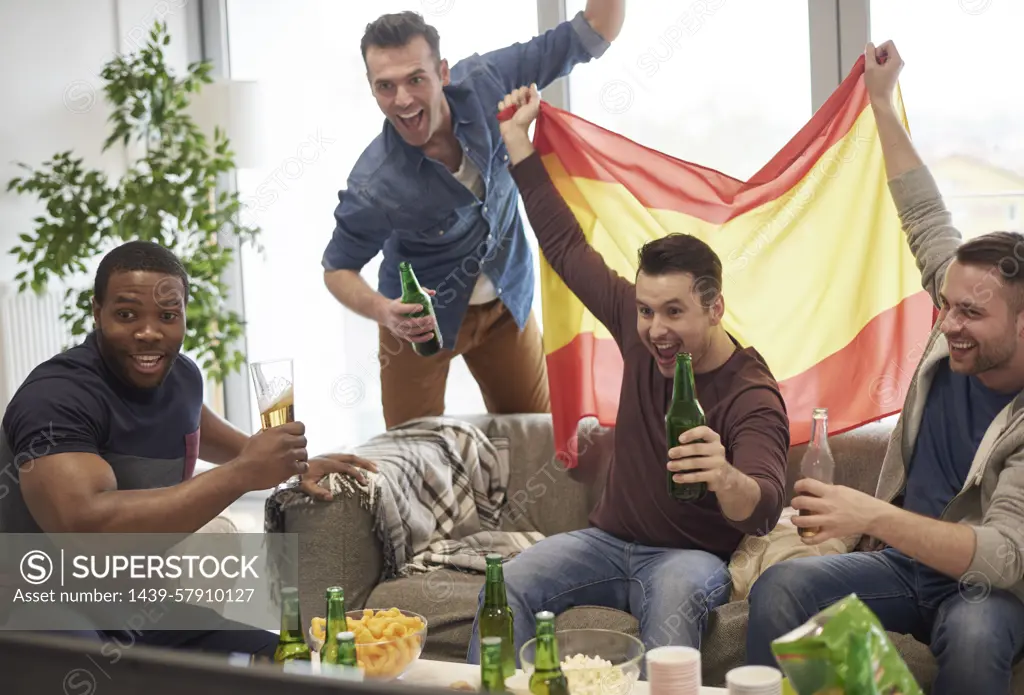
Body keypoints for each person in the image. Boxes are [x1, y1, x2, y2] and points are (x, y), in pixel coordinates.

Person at [465, 84, 792, 663]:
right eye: (646, 310)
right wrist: (518, 142)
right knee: (509, 583)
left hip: (687, 558)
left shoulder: (751, 393)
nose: (655, 328)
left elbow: (763, 504)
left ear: (715, 308)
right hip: (604, 543)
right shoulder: (637, 330)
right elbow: (565, 246)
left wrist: (724, 475)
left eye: (674, 312)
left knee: (671, 609)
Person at [745, 41, 1024, 695]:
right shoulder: (959, 312)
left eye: (970, 314)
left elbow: (1003, 555)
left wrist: (867, 513)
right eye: (946, 305)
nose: (948, 322)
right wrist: (879, 99)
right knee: (783, 587)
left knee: (978, 633)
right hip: (903, 568)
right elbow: (923, 212)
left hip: (982, 587)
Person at [0, 240, 377, 657]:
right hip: (35, 605)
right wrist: (242, 475)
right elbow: (87, 530)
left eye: (167, 316)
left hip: (135, 609)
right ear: (97, 312)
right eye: (126, 315)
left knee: (288, 663)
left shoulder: (180, 376)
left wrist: (292, 464)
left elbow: (199, 429)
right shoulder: (56, 397)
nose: (148, 333)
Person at [321, 4, 624, 429]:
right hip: (418, 325)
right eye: (385, 86)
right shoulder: (375, 184)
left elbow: (594, 31)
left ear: (443, 72)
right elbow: (337, 269)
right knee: (413, 455)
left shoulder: (488, 81)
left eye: (415, 79)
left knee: (537, 439)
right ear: (371, 88)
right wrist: (384, 311)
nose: (402, 100)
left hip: (505, 302)